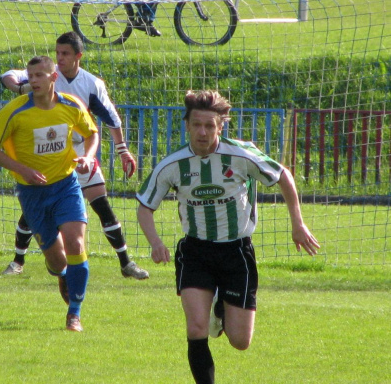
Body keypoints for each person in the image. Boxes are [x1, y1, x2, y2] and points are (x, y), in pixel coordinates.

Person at [136, 90, 320, 384]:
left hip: (237, 253)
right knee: (196, 328)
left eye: (210, 125)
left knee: (240, 341)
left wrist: (298, 224)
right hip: (195, 251)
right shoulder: (172, 165)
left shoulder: (241, 154)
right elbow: (145, 208)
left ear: (220, 127)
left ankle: (220, 304)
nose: (202, 132)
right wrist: (155, 242)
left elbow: (283, 175)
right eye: (197, 124)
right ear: (187, 125)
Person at [0, 31, 148, 280]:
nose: (60, 58)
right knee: (34, 208)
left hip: (80, 151)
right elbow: (8, 75)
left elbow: (111, 119)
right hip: (50, 149)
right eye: (57, 53)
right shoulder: (47, 74)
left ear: (78, 56)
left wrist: (122, 150)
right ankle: (17, 261)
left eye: (65, 53)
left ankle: (126, 263)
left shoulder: (91, 84)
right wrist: (17, 87)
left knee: (101, 204)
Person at [0, 55, 99, 332]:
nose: (33, 80)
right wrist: (21, 170)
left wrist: (88, 157)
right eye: (30, 75)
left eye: (39, 75)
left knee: (76, 244)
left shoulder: (71, 106)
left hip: (65, 185)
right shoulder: (15, 111)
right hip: (32, 193)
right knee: (57, 258)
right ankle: (62, 274)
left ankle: (74, 314)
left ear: (53, 78)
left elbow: (92, 133)